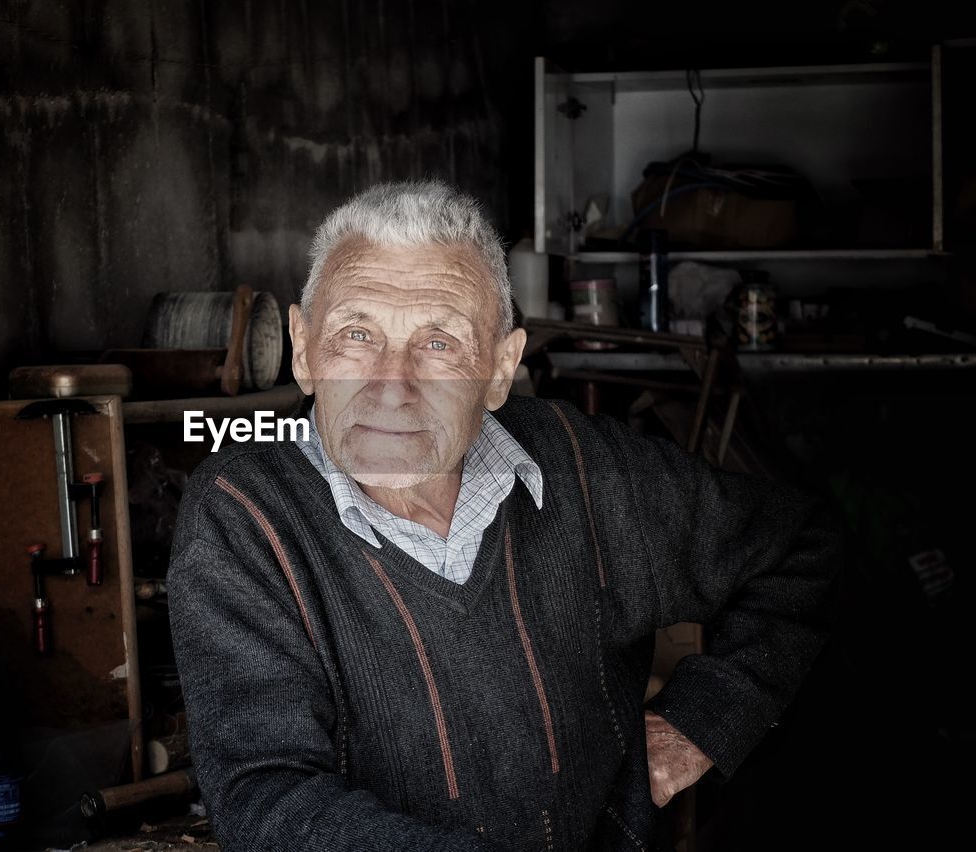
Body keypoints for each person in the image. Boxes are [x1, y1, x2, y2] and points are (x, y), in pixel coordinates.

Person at [168, 180, 837, 851]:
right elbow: (265, 796)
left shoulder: (581, 464)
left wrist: (702, 720)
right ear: (305, 350)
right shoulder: (242, 515)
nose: (391, 386)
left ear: (499, 367)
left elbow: (802, 543)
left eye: (438, 343)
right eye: (357, 334)